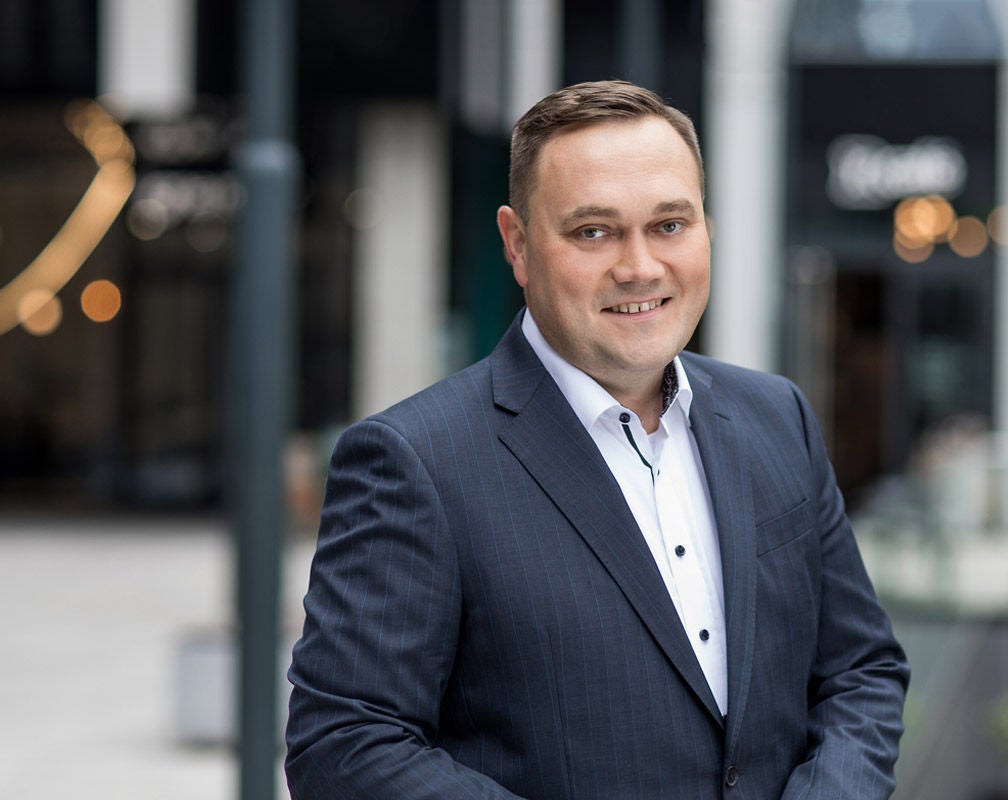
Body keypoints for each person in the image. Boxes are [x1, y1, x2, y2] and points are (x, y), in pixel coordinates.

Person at [285, 80, 908, 800]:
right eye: (593, 232)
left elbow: (860, 671)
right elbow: (344, 745)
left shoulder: (778, 417)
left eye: (669, 225)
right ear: (518, 245)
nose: (639, 267)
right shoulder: (412, 461)